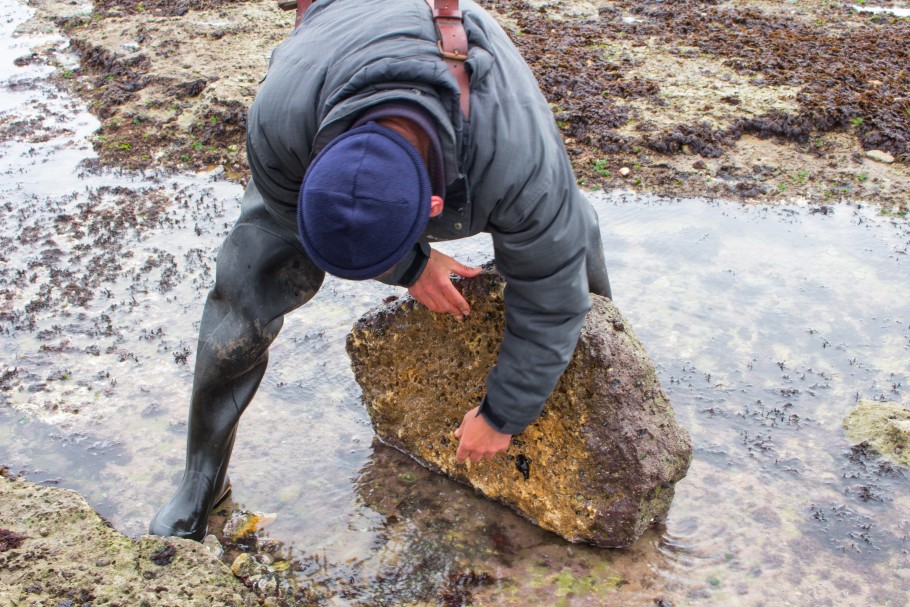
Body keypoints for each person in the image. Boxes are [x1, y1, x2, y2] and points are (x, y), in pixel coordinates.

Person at [149, 0, 611, 541]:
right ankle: (202, 477)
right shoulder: (280, 124)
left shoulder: (519, 162)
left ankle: (608, 374)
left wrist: (503, 414)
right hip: (340, 38)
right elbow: (285, 210)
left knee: (570, 249)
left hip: (476, 116)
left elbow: (549, 293)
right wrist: (411, 265)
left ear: (435, 209)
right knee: (244, 289)